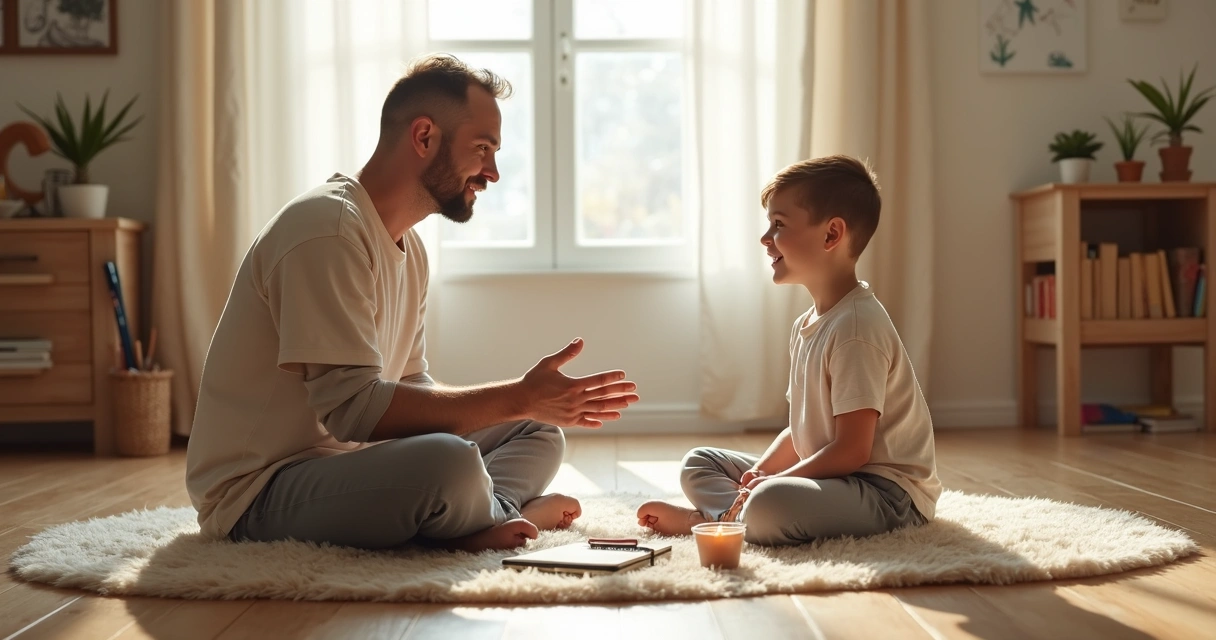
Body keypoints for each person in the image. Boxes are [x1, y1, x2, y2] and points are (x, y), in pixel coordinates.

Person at [185, 54, 640, 553]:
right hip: (258, 493)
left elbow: (408, 385)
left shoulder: (411, 248)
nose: (493, 173)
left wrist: (525, 406)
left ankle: (487, 516)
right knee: (449, 463)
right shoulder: (327, 231)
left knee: (537, 430)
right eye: (482, 148)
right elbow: (353, 413)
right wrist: (517, 394)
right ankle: (488, 515)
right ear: (424, 137)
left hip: (347, 462)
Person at [636, 155, 940, 545]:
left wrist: (772, 484)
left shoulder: (856, 329)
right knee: (700, 462)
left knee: (771, 502)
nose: (765, 238)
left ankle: (722, 518)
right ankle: (733, 515)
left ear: (831, 235)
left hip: (885, 494)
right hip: (833, 478)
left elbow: (852, 451)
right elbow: (800, 433)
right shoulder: (807, 325)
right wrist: (761, 472)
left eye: (778, 225)